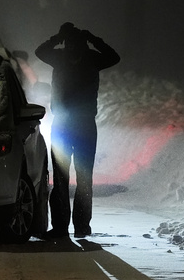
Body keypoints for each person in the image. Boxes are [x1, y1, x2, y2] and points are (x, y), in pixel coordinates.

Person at [35, 22, 120, 238]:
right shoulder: (90, 57)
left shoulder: (61, 57)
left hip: (66, 124)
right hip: (82, 125)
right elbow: (113, 56)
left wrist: (58, 36)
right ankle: (80, 227)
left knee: (63, 179)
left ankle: (64, 228)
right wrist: (92, 38)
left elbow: (40, 51)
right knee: (82, 178)